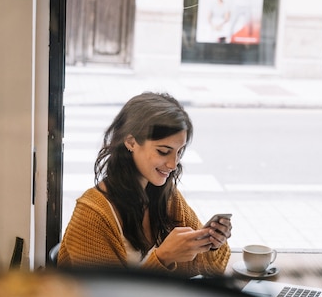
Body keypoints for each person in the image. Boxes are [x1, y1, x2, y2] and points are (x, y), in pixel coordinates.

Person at [57, 92, 232, 277]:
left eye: (179, 152)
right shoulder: (92, 215)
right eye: (163, 151)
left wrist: (213, 243)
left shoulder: (167, 196)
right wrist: (163, 257)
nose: (173, 164)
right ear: (131, 142)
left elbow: (211, 269)